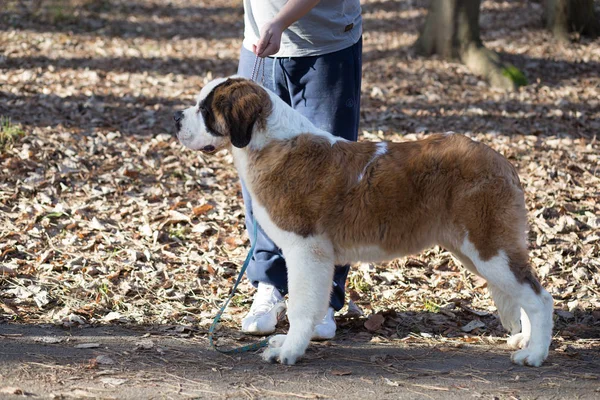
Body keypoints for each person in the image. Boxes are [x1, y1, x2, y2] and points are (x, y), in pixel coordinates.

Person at [237, 0, 362, 340]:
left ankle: (323, 299)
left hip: (326, 47)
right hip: (259, 46)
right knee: (259, 172)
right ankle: (269, 284)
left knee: (327, 179)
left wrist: (279, 22)